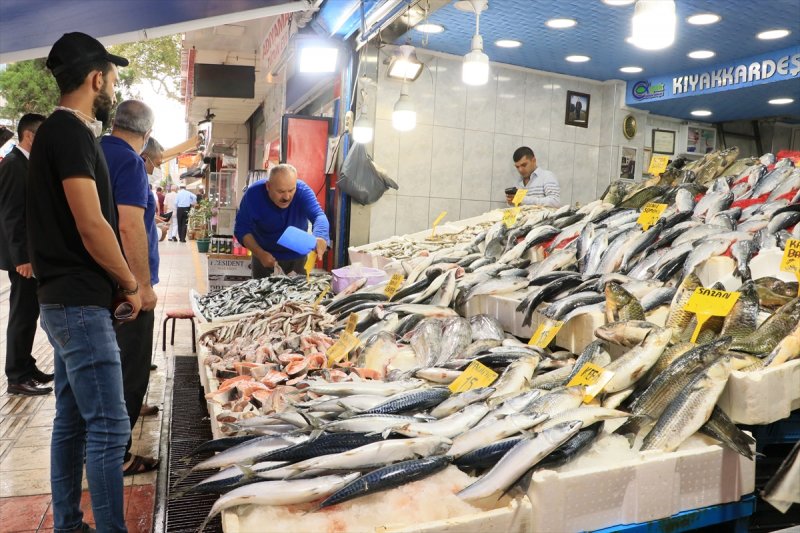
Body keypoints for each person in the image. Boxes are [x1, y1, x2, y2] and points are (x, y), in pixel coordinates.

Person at [27, 31, 140, 533]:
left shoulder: (57, 133)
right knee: (110, 427)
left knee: (72, 422)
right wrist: (128, 281)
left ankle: (69, 525)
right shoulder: (71, 133)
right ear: (97, 78)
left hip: (64, 301)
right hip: (77, 304)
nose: (113, 87)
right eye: (112, 78)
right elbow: (91, 223)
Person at [99, 100, 160, 476]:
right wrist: (141, 287)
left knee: (107, 369)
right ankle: (119, 453)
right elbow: (130, 225)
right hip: (125, 290)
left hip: (95, 284)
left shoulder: (95, 151)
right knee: (129, 368)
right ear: (147, 134)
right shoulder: (130, 161)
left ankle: (105, 444)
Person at [0, 113, 54, 396]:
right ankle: (17, 376)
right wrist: (22, 258)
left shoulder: (27, 164)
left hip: (31, 255)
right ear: (30, 136)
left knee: (29, 312)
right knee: (22, 314)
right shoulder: (13, 165)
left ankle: (26, 365)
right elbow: (11, 216)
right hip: (22, 259)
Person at [234, 164, 330, 277]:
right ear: (268, 186)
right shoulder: (253, 195)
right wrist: (259, 253)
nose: (287, 197)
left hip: (297, 258)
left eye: (291, 190)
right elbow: (241, 229)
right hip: (263, 258)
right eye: (280, 191)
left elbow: (318, 215)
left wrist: (320, 236)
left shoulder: (303, 191)